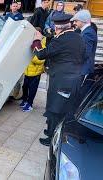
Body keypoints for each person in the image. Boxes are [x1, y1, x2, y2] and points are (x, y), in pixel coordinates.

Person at [31, 13, 86, 146]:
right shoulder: (78, 38)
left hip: (61, 81)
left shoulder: (61, 40)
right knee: (63, 109)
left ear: (58, 28)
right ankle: (51, 131)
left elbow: (40, 54)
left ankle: (51, 139)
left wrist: (37, 40)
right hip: (74, 80)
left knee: (56, 109)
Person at [71, 10, 98, 98]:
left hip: (82, 68)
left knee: (75, 93)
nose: (74, 23)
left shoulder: (88, 33)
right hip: (81, 67)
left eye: (76, 21)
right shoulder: (85, 31)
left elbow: (85, 53)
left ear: (83, 21)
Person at [21, 27, 46, 112]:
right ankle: (24, 100)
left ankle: (30, 104)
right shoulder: (29, 42)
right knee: (25, 87)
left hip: (35, 72)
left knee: (32, 89)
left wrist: (29, 58)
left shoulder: (42, 44)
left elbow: (41, 59)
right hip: (27, 71)